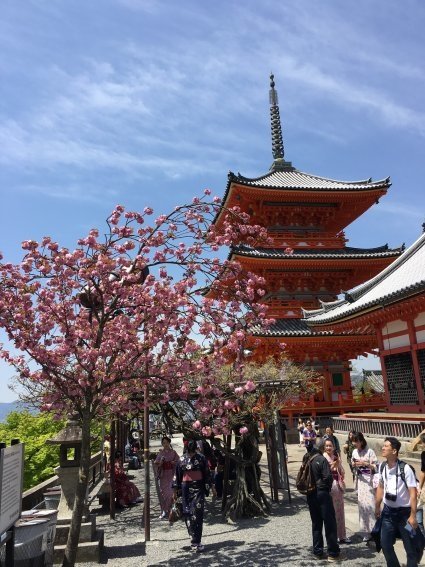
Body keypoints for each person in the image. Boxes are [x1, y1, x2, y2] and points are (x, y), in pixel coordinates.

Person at [375, 437, 419, 567]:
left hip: (404, 515)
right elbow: (380, 487)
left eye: (386, 446)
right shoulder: (382, 466)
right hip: (388, 513)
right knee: (385, 544)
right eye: (383, 445)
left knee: (410, 548)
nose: (383, 448)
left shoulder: (405, 469)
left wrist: (413, 516)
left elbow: (413, 493)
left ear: (394, 451)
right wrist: (377, 506)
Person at [304, 444, 341, 561]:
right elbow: (328, 477)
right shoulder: (321, 459)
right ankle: (333, 553)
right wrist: (327, 488)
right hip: (322, 493)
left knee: (316, 523)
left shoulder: (306, 458)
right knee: (329, 523)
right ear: (320, 449)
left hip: (310, 494)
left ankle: (317, 551)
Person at [173, 439, 211, 552]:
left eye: (192, 451)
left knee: (197, 513)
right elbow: (177, 476)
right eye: (189, 451)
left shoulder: (201, 458)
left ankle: (196, 541)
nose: (191, 454)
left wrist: (210, 487)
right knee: (187, 512)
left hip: (198, 488)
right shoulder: (182, 459)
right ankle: (193, 538)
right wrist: (175, 491)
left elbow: (206, 473)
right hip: (185, 488)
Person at [322, 438, 351, 544]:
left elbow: (342, 472)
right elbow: (324, 473)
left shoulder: (335, 457)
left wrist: (338, 464)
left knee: (340, 512)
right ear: (324, 447)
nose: (329, 448)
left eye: (330, 446)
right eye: (327, 446)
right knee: (332, 513)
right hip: (329, 487)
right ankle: (333, 536)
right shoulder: (323, 458)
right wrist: (333, 466)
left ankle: (342, 535)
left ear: (334, 447)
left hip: (338, 486)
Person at [351, 431, 378, 542]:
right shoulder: (354, 452)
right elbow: (353, 465)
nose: (354, 444)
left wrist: (366, 464)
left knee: (371, 505)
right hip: (361, 481)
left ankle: (375, 531)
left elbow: (376, 466)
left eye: (356, 442)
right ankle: (365, 531)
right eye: (353, 442)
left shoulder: (370, 451)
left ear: (361, 441)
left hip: (370, 481)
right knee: (362, 506)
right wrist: (354, 464)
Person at [154, 436, 179, 519]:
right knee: (164, 494)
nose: (165, 444)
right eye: (163, 443)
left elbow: (179, 461)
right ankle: (164, 511)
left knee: (171, 493)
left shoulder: (173, 452)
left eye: (167, 442)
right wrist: (160, 462)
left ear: (169, 443)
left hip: (172, 474)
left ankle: (171, 510)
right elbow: (156, 463)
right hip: (163, 475)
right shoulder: (160, 453)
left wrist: (173, 462)